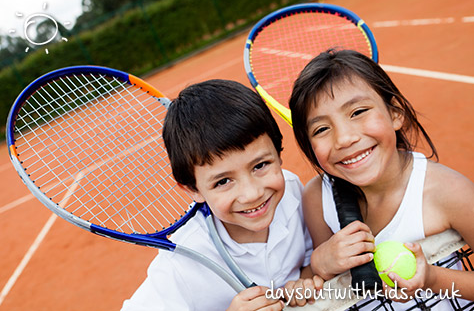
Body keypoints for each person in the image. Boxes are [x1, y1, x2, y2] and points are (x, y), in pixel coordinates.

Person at [288, 49, 474, 308]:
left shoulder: (449, 192)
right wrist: (319, 264)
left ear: (395, 113)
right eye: (321, 129)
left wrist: (432, 278)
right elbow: (322, 287)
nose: (344, 138)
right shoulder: (317, 199)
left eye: (357, 112)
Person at [121, 79, 321, 311]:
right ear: (193, 189)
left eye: (260, 165)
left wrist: (303, 280)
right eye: (223, 181)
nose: (252, 193)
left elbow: (307, 258)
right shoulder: (183, 259)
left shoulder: (291, 190)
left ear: (278, 153)